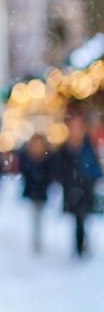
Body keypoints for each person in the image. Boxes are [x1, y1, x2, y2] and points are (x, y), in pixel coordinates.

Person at [57, 102, 103, 257]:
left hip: (86, 186)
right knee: (78, 218)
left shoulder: (88, 144)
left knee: (83, 217)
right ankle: (79, 247)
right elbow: (60, 168)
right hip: (72, 188)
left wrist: (93, 177)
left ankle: (82, 245)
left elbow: (95, 165)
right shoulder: (65, 148)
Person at [18, 134, 54, 253]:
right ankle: (36, 239)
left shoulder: (47, 158)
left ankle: (38, 238)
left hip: (42, 192)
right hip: (32, 191)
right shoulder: (27, 157)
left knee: (39, 215)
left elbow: (50, 175)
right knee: (35, 216)